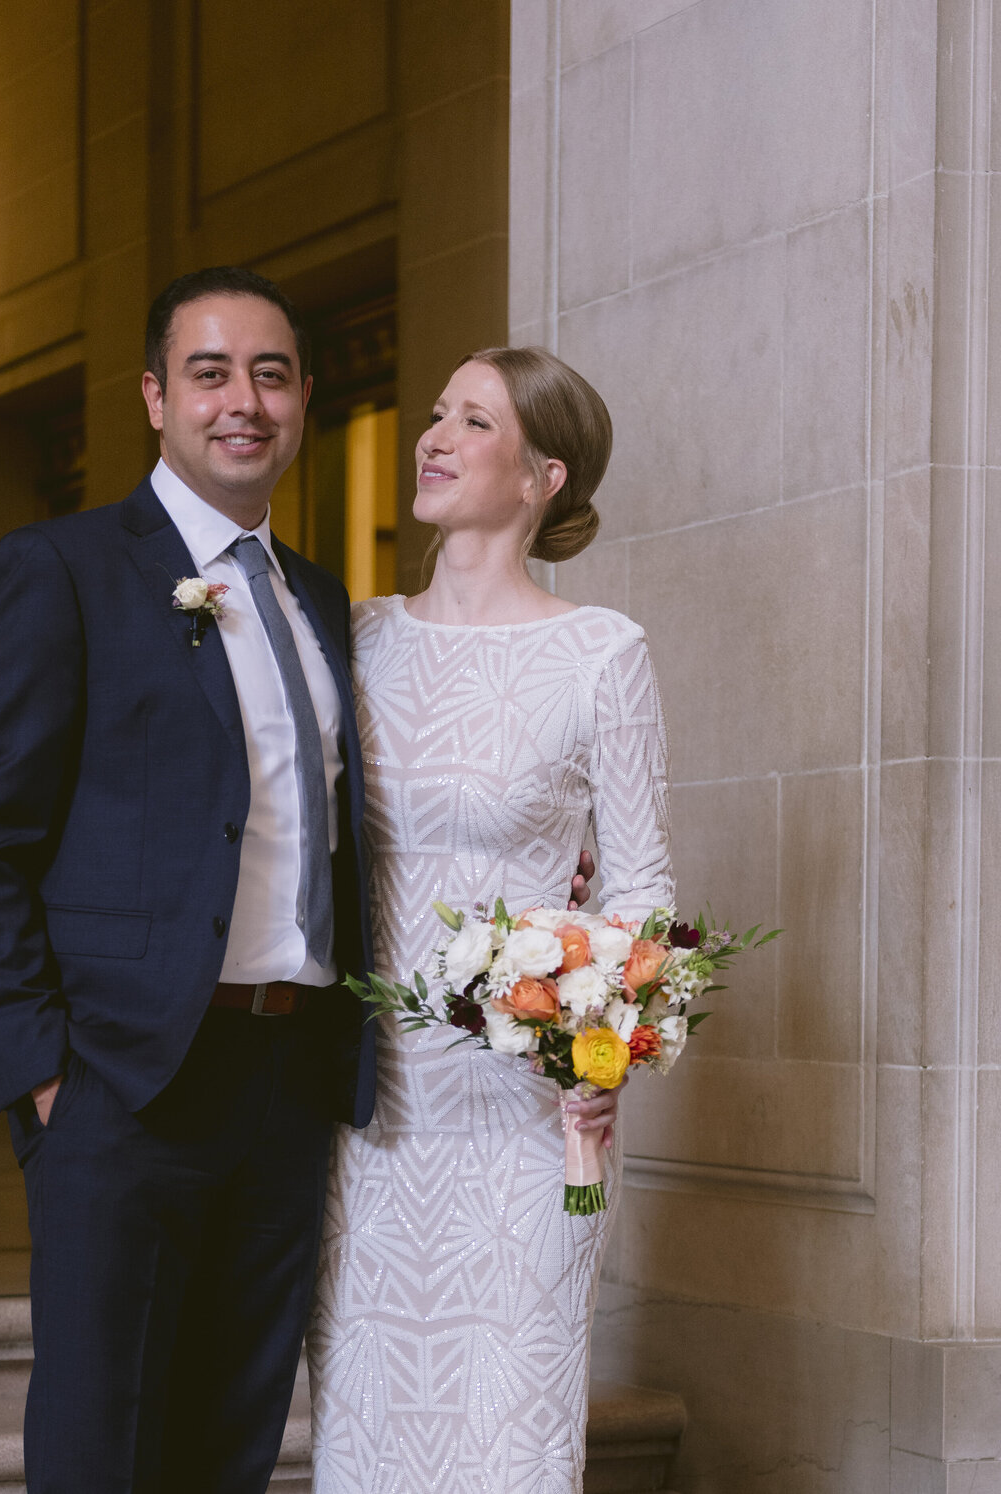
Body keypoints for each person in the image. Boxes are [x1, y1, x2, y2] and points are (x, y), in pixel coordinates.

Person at [0, 266, 376, 1494]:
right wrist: (41, 1070)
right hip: (122, 1083)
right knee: (97, 1447)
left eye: (272, 374)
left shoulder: (321, 599)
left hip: (286, 1083)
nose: (246, 400)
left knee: (229, 1444)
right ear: (154, 397)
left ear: (302, 402)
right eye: (212, 372)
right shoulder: (63, 566)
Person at [306, 346, 673, 1492]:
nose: (434, 436)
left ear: (541, 477)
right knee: (368, 1429)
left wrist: (603, 1046)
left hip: (528, 1124)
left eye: (474, 421)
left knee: (509, 1438)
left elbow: (644, 885)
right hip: (365, 1118)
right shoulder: (353, 638)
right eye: (435, 415)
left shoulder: (599, 651)